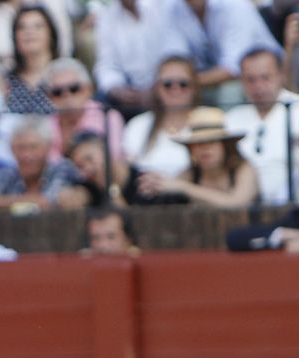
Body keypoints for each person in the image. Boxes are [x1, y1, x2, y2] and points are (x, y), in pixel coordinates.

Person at [225, 46, 299, 205]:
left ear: (281, 75)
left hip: (295, 206)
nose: (258, 86)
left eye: (265, 77)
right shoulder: (231, 119)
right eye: (251, 79)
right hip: (243, 207)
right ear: (241, 81)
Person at [163, 0, 283, 106]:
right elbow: (176, 61)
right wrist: (180, 81)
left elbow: (232, 69)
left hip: (262, 78)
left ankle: (229, 129)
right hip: (207, 80)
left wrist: (185, 81)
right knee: (171, 90)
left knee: (229, 92)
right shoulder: (174, 8)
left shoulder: (234, 5)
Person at [139, 105, 259, 206]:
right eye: (199, 144)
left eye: (211, 142)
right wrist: (155, 185)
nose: (205, 149)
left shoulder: (244, 169)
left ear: (225, 146)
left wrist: (185, 188)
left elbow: (236, 203)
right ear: (191, 149)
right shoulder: (190, 174)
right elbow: (171, 185)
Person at [0, 114, 81, 210]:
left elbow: (49, 201)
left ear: (47, 148)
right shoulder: (7, 175)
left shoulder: (62, 168)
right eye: (21, 148)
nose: (26, 155)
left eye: (33, 147)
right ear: (12, 149)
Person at [123, 54, 196, 185]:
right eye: (168, 84)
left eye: (183, 84)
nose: (176, 89)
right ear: (157, 87)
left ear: (194, 87)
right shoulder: (138, 124)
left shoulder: (208, 120)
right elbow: (128, 168)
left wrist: (173, 184)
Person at [94, 0, 173, 116]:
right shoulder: (106, 18)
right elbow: (106, 64)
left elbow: (174, 51)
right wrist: (116, 89)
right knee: (100, 103)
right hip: (129, 89)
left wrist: (157, 86)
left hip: (164, 82)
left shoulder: (160, 6)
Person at [5, 3, 59, 114]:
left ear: (51, 34)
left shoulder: (64, 76)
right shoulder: (5, 81)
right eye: (21, 27)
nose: (29, 32)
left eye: (38, 26)